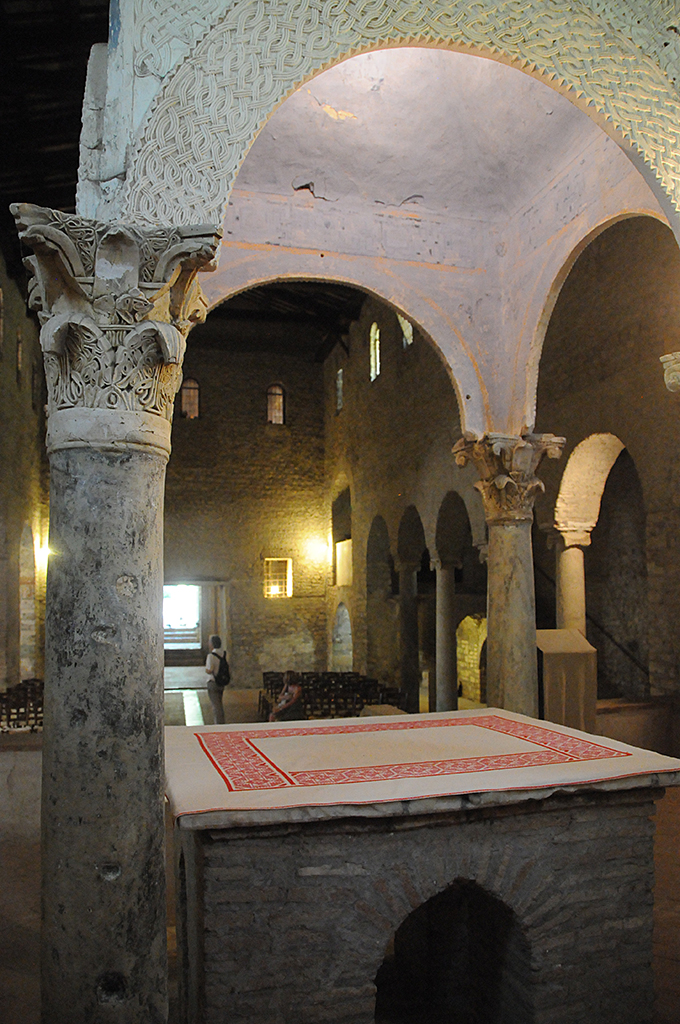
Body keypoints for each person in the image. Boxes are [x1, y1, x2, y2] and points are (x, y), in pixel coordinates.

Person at [205, 634, 228, 724]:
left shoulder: (211, 656)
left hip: (213, 682)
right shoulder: (224, 654)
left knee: (216, 706)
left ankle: (219, 724)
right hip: (221, 681)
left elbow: (209, 670)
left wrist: (206, 669)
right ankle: (220, 722)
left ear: (212, 644)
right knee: (219, 703)